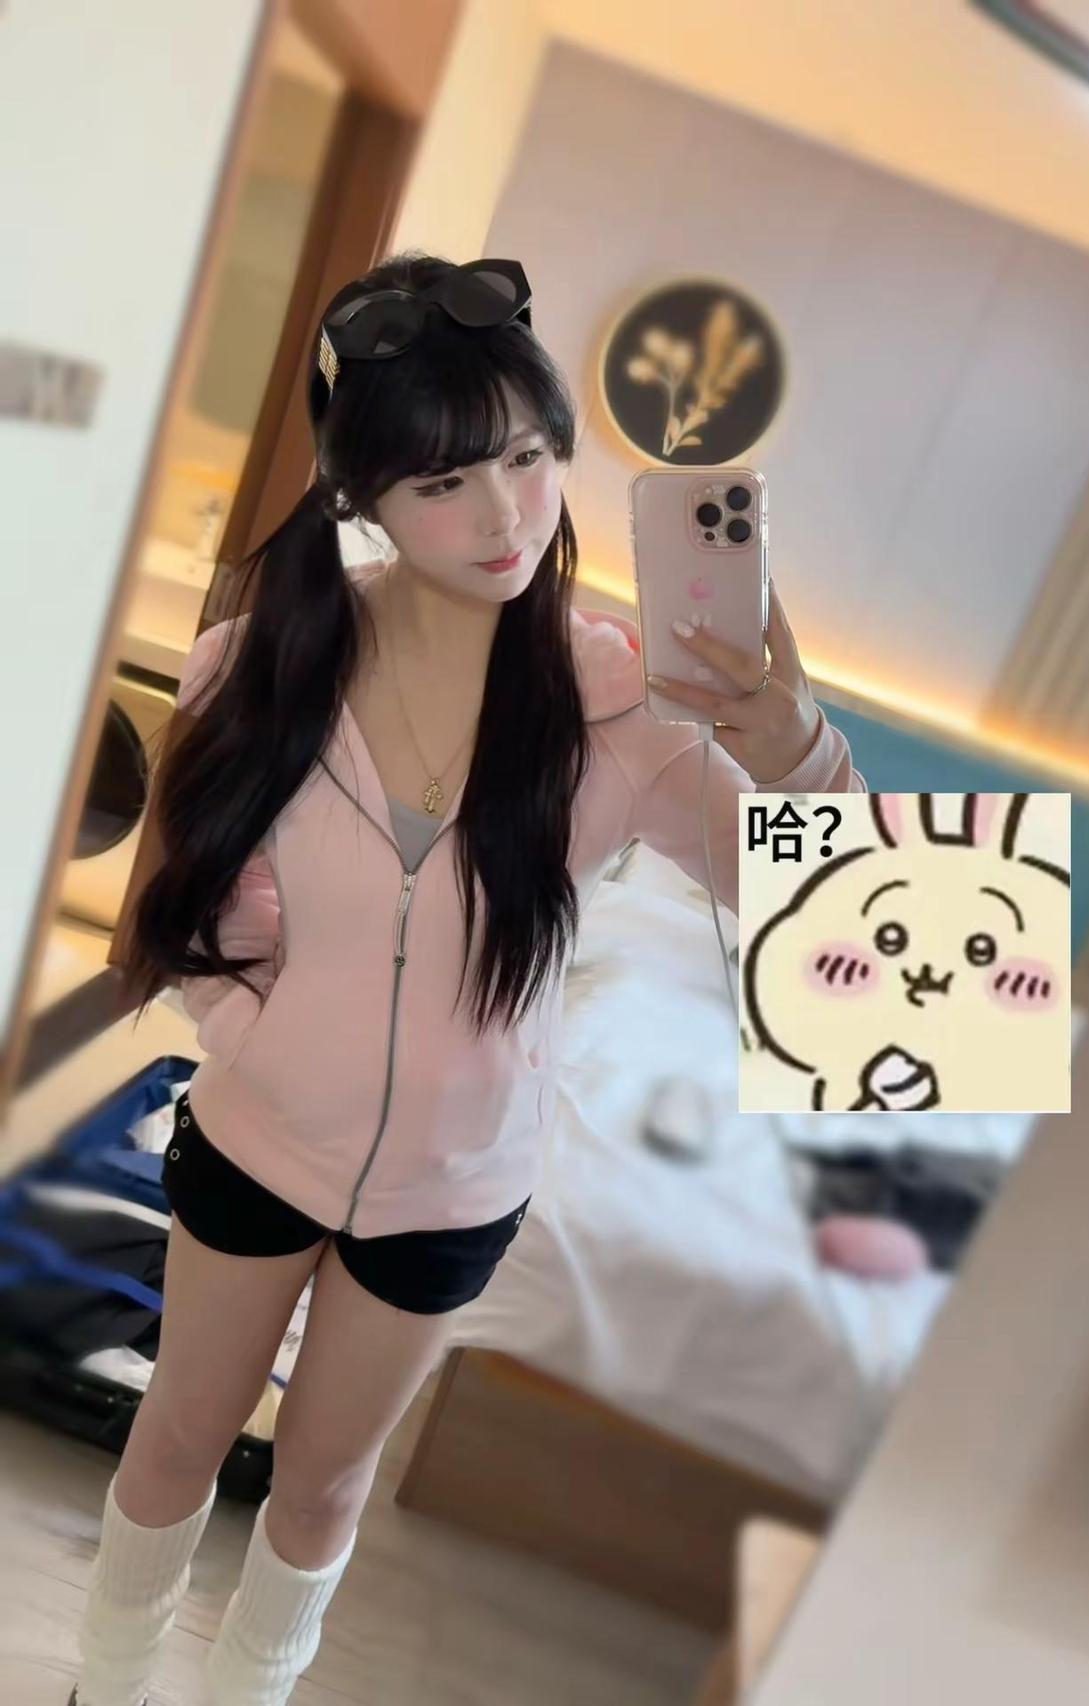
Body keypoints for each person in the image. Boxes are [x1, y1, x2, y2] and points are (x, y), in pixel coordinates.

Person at [70, 250, 866, 1706]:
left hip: (454, 1195)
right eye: (443, 480)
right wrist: (258, 1035)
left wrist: (796, 748)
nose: (502, 514)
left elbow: (877, 957)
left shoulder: (624, 714)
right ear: (361, 495)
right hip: (254, 1143)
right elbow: (192, 914)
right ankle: (105, 1686)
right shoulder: (256, 668)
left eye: (524, 457)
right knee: (177, 1439)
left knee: (322, 1490)